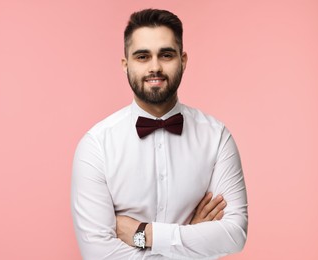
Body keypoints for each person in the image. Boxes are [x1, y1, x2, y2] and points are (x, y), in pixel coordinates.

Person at [71, 8, 248, 259]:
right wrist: (192, 236)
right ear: (126, 65)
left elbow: (234, 234)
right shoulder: (95, 146)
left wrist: (144, 234)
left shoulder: (217, 137)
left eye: (166, 55)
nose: (155, 67)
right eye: (142, 56)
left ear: (183, 60)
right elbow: (100, 254)